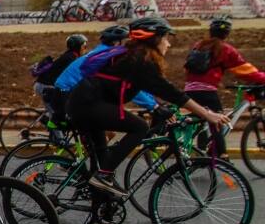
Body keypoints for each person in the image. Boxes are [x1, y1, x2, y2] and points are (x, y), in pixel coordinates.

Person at [68, 16, 229, 196]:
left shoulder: (133, 56)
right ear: (155, 39)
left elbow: (148, 88)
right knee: (140, 127)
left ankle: (102, 210)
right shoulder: (141, 61)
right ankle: (102, 176)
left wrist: (158, 107)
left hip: (84, 104)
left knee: (104, 164)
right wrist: (208, 115)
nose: (168, 44)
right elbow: (171, 92)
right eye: (166, 38)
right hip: (88, 106)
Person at [182, 15, 265, 158]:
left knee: (205, 118)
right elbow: (246, 71)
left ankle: (203, 151)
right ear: (227, 33)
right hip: (207, 92)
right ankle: (222, 156)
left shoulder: (199, 45)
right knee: (217, 122)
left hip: (189, 90)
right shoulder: (226, 49)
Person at [33, 33, 87, 122]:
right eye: (84, 46)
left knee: (61, 109)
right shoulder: (70, 58)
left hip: (47, 85)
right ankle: (58, 136)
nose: (85, 49)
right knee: (56, 114)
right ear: (78, 47)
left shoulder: (70, 56)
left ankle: (47, 123)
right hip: (45, 86)